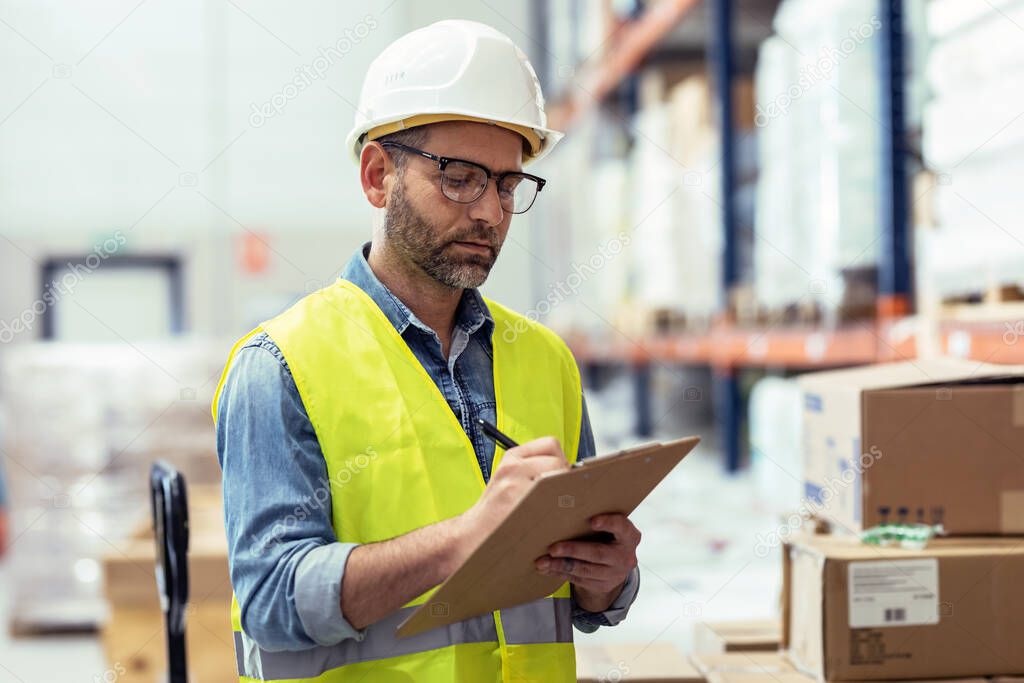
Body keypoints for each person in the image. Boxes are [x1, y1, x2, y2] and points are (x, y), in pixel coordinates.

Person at [213, 20, 641, 682]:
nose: (492, 213)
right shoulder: (281, 365)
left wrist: (608, 582)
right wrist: (462, 539)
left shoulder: (546, 360)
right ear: (378, 175)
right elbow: (270, 597)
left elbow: (578, 593)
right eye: (462, 178)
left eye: (507, 184)